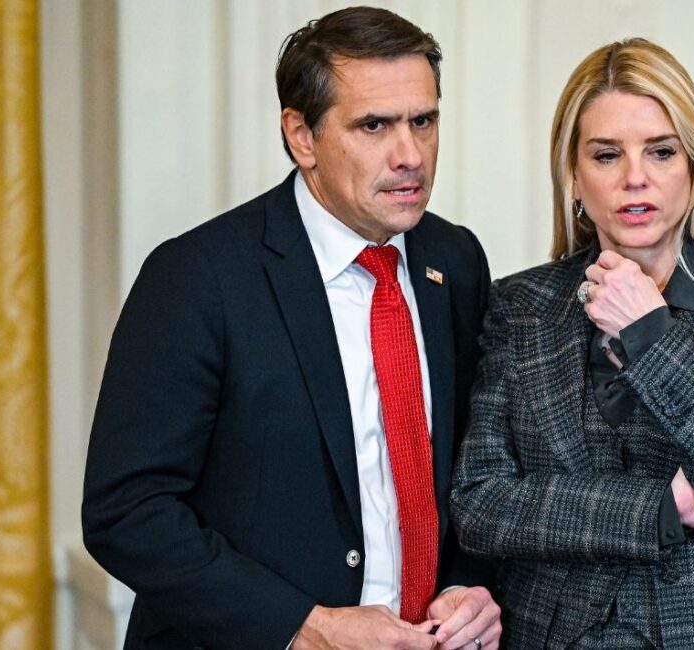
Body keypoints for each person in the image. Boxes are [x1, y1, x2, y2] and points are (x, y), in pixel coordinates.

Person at [82, 7, 500, 650]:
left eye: (424, 120)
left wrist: (468, 587)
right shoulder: (197, 277)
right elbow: (126, 512)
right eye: (373, 126)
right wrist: (308, 627)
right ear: (302, 136)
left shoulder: (456, 261)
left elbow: (473, 469)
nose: (410, 154)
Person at [451, 37, 694, 649]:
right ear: (573, 174)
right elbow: (482, 505)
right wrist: (664, 505)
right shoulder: (519, 307)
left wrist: (650, 333)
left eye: (660, 151)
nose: (634, 178)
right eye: (605, 155)